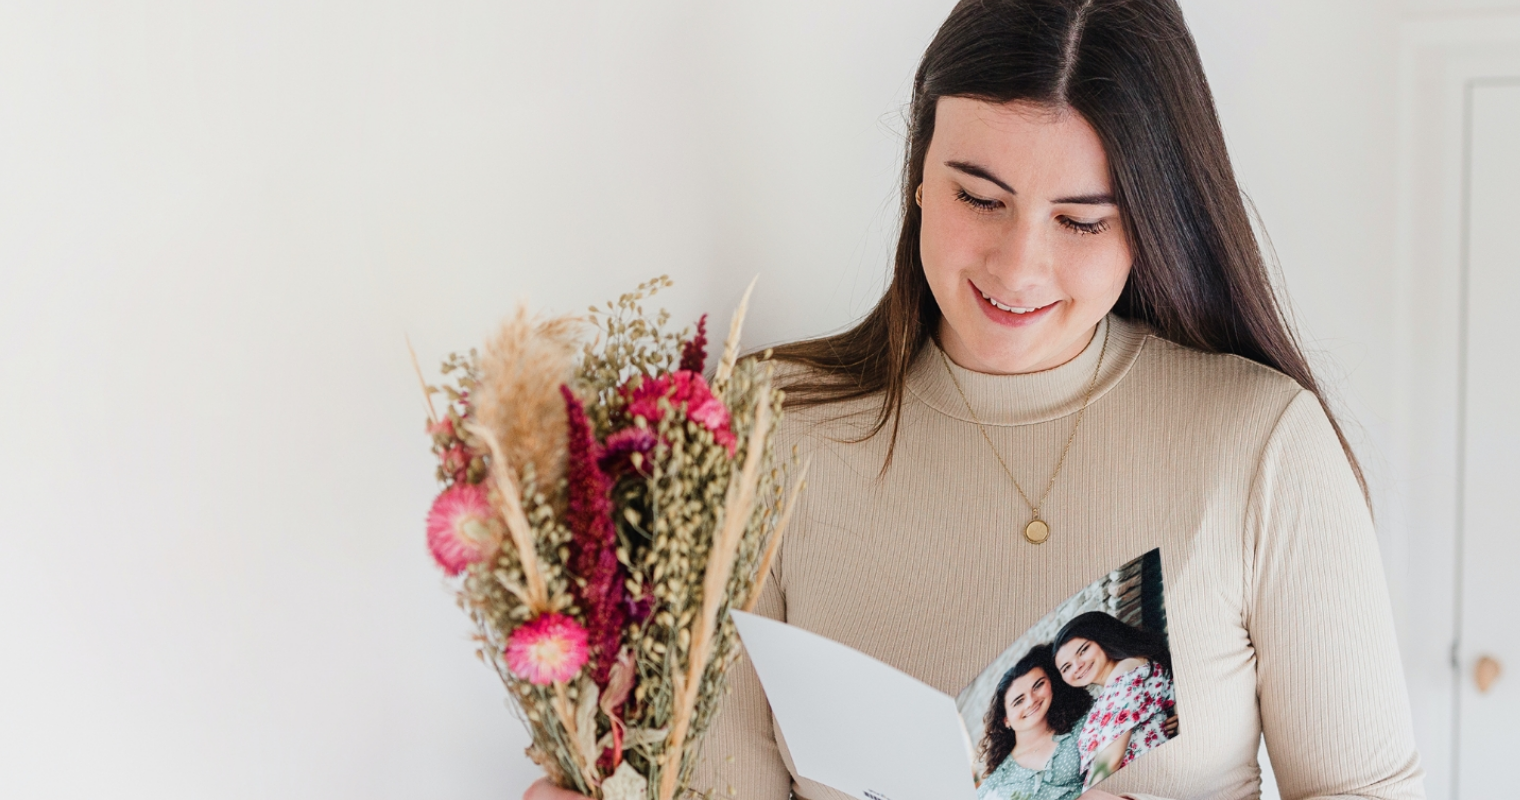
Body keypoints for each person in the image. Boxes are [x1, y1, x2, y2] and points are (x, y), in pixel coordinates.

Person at [528, 0, 1422, 798]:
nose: (1017, 266)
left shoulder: (1262, 443)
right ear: (918, 174)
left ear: (1152, 222)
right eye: (979, 197)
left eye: (1081, 219)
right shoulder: (768, 430)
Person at [1050, 612, 1177, 783]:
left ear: (1102, 637)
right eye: (1066, 667)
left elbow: (1110, 759)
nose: (1077, 667)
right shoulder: (1112, 686)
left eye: (1083, 650)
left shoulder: (1124, 672)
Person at [976, 646, 1094, 800]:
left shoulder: (1082, 724)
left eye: (1038, 686)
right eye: (1018, 701)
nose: (1031, 701)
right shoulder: (996, 782)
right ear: (1005, 720)